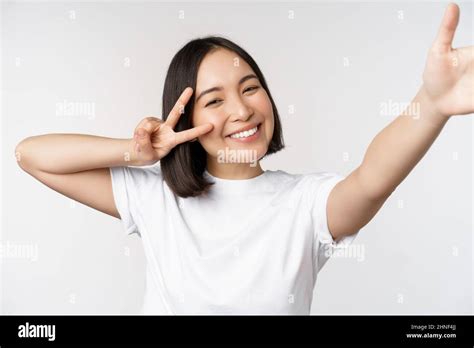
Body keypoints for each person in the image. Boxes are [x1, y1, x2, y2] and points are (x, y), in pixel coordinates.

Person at [15, 3, 473, 314]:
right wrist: (134, 152)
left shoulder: (306, 204)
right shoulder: (156, 198)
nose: (242, 110)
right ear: (185, 118)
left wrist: (430, 105)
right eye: (214, 101)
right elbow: (31, 155)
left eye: (250, 88)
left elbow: (372, 179)